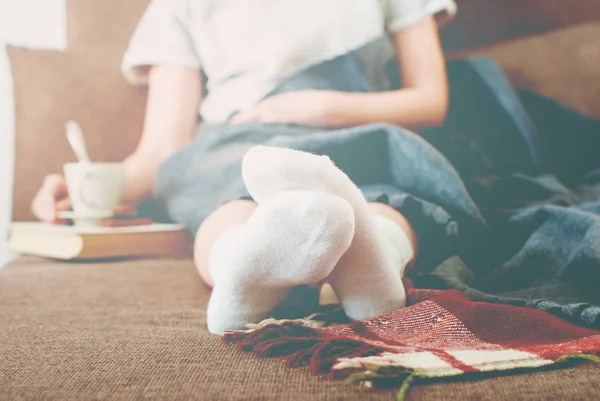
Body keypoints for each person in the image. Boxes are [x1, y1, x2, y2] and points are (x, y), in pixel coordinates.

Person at [31, 0, 457, 334]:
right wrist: (96, 188)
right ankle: (244, 270)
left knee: (382, 193)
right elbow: (163, 147)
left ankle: (373, 271)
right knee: (229, 206)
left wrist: (324, 107)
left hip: (362, 128)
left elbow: (430, 100)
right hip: (238, 142)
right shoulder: (178, 5)